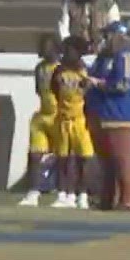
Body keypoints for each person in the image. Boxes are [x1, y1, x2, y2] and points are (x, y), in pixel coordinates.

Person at [89, 22, 130, 210]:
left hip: (121, 114)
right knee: (106, 162)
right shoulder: (102, 58)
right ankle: (107, 199)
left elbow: (123, 84)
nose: (105, 40)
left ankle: (127, 200)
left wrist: (99, 84)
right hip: (101, 113)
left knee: (123, 159)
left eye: (108, 36)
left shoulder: (127, 56)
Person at [50, 36, 97, 209]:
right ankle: (64, 194)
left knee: (83, 158)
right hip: (63, 119)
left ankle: (82, 195)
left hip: (80, 120)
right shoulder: (59, 71)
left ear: (78, 52)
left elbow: (90, 93)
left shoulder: (85, 70)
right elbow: (54, 90)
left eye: (70, 50)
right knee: (63, 158)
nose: (66, 53)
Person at [19, 34, 61, 207]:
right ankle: (33, 192)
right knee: (35, 154)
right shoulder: (40, 68)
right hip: (43, 114)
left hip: (59, 116)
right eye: (43, 47)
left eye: (48, 47)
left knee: (66, 156)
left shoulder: (61, 68)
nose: (45, 51)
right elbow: (39, 90)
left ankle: (66, 192)